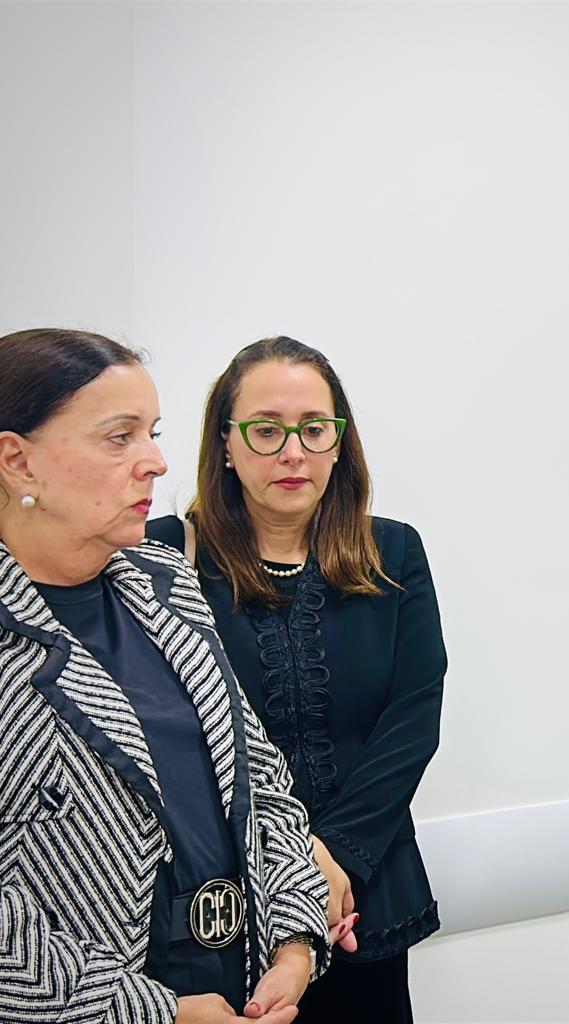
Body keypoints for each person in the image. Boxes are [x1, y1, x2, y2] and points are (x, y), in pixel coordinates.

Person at [0, 328, 329, 1023]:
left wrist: (295, 944)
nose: (154, 462)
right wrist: (155, 1011)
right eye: (119, 438)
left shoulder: (164, 580)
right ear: (17, 462)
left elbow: (260, 782)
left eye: (151, 434)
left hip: (243, 987)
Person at [148, 335, 445, 1024]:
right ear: (226, 444)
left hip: (363, 888)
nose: (293, 452)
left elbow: (413, 718)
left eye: (314, 429)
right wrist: (290, 870)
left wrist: (333, 857)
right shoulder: (159, 557)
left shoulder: (393, 551)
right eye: (266, 430)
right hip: (223, 904)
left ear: (340, 444)